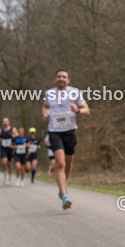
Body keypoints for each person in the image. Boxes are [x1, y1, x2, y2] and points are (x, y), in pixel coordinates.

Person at [43, 69, 89, 210]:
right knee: (60, 163)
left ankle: (63, 184)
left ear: (68, 80)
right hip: (54, 131)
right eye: (59, 77)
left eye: (64, 77)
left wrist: (78, 110)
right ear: (55, 79)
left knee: (68, 165)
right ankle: (64, 196)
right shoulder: (49, 93)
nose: (61, 79)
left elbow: (87, 109)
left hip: (70, 131)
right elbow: (45, 106)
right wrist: (45, 115)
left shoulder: (75, 92)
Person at [0, 118, 15, 186]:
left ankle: (9, 178)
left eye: (6, 121)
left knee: (10, 164)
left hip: (10, 148)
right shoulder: (1, 130)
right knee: (4, 162)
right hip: (3, 148)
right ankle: (5, 177)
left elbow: (18, 135)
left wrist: (14, 136)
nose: (5, 123)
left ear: (9, 122)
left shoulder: (13, 129)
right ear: (2, 123)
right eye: (4, 122)